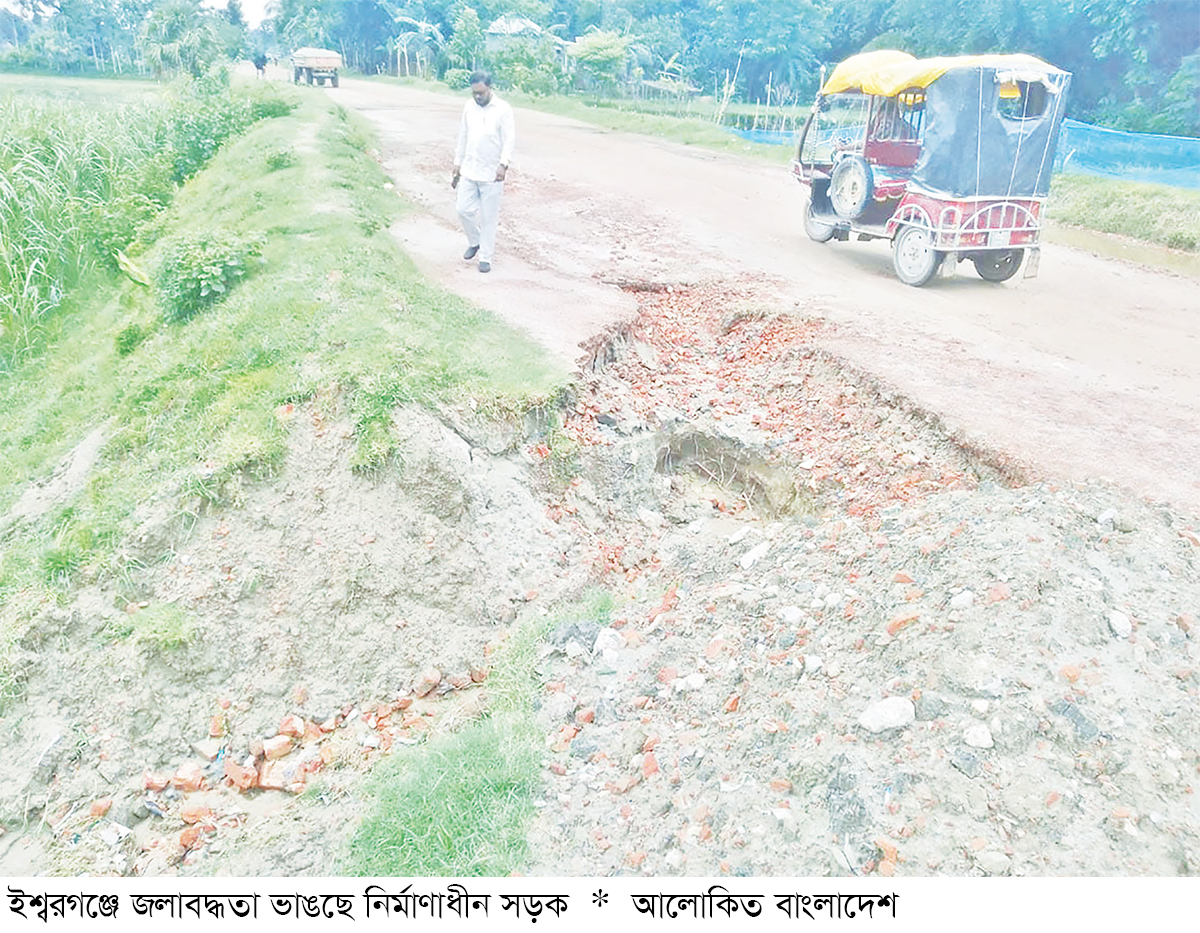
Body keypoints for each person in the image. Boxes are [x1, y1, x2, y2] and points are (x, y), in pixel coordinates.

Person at [452, 71, 514, 274]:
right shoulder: (469, 107)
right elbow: (463, 135)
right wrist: (457, 163)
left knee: (488, 218)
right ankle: (475, 241)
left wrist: (504, 164)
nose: (478, 97)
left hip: (491, 173)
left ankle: (485, 258)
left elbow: (509, 140)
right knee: (463, 210)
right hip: (470, 169)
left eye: (481, 93)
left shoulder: (503, 109)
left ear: (490, 88)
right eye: (474, 93)